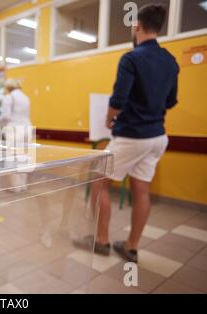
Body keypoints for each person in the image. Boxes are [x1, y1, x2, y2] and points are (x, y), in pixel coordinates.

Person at [78, 4, 180, 263]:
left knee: (98, 181)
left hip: (132, 135)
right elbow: (170, 101)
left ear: (137, 26)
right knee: (141, 190)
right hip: (157, 137)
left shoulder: (132, 58)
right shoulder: (171, 61)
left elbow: (119, 98)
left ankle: (101, 241)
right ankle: (132, 246)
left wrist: (110, 116)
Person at [0, 79, 32, 146]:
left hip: (14, 130)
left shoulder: (9, 97)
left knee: (12, 154)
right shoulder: (26, 98)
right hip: (27, 129)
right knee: (25, 154)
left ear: (8, 87)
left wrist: (0, 127)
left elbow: (5, 117)